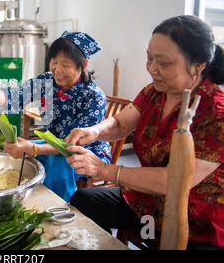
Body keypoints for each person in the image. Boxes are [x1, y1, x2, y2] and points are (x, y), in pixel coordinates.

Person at [66, 15, 223, 249]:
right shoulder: (154, 92)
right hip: (148, 203)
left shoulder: (216, 113)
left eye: (164, 63)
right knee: (84, 200)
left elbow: (174, 181)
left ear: (199, 65)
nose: (152, 69)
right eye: (149, 58)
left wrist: (103, 169)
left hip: (197, 223)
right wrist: (95, 131)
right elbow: (120, 124)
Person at [0, 31, 111, 201]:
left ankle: (57, 207)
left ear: (84, 65)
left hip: (86, 150)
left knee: (59, 164)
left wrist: (34, 148)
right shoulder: (46, 81)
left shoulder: (94, 96)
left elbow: (71, 145)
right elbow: (18, 95)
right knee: (19, 151)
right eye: (54, 62)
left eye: (65, 64)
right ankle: (26, 197)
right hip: (52, 142)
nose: (58, 70)